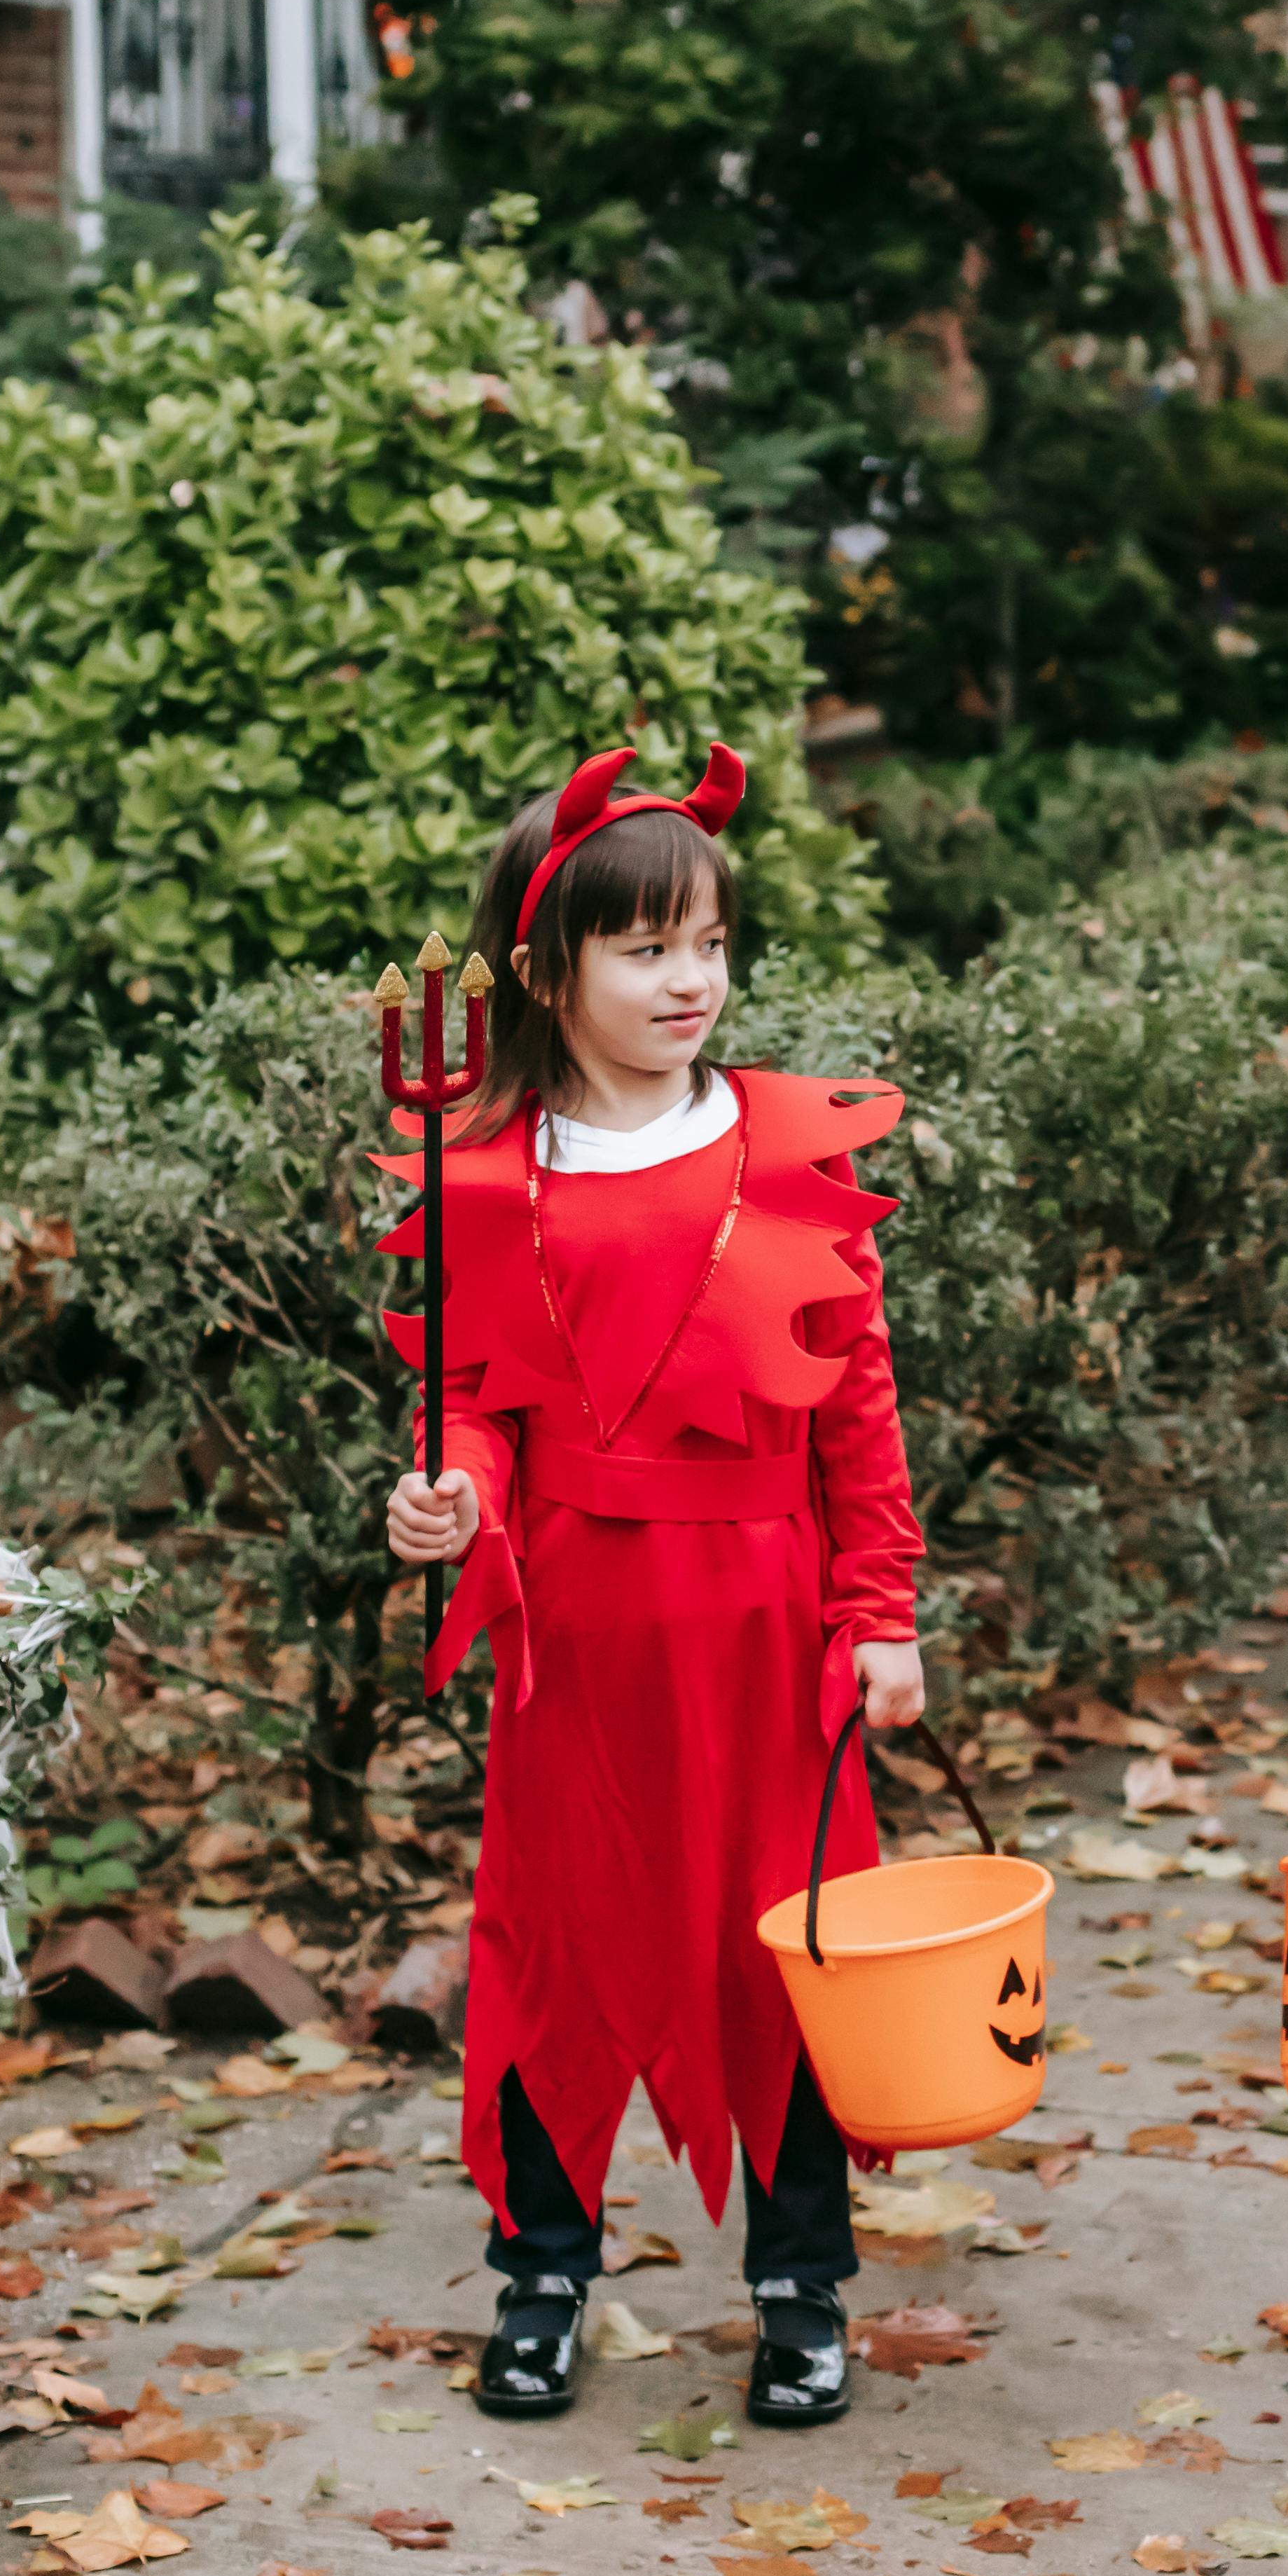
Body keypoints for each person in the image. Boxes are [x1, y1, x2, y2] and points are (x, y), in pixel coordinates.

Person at [381, 742, 925, 2431]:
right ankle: (543, 2273)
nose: (689, 981)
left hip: (768, 1621)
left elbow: (855, 1403)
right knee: (558, 1939)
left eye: (707, 943)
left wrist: (880, 1614)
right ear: (547, 971)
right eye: (645, 950)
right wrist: (456, 1487)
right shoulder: (486, 1172)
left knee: (789, 1945)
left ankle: (801, 2285)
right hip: (581, 1637)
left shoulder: (781, 1153)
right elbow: (473, 1383)